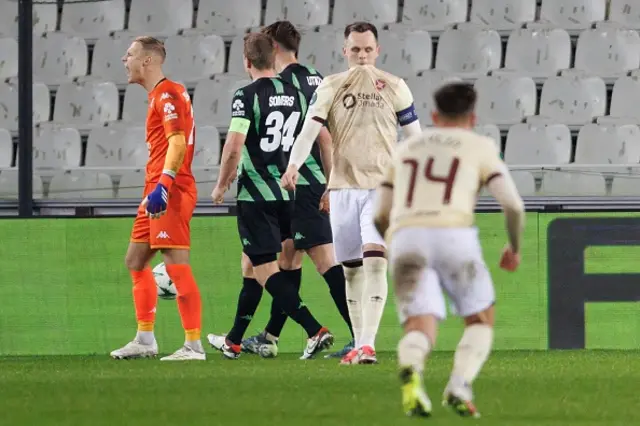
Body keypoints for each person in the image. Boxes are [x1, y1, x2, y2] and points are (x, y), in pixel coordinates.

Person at [373, 82, 525, 418]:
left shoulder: (406, 148)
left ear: (433, 115)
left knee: (419, 325)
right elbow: (513, 206)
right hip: (454, 234)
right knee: (480, 318)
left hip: (406, 237)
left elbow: (379, 213)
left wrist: (393, 243)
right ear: (472, 117)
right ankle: (459, 385)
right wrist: (513, 247)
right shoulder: (480, 146)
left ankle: (412, 369)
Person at [281, 22, 422, 364]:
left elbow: (416, 139)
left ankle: (369, 344)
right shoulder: (330, 86)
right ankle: (359, 344)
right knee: (351, 271)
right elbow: (309, 130)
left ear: (377, 50)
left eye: (367, 49)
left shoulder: (396, 86)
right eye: (355, 49)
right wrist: (294, 165)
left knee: (376, 261)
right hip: (343, 188)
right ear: (345, 51)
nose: (361, 55)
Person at [207, 32, 334, 360]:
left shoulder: (245, 95)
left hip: (256, 193)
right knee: (250, 264)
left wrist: (221, 184)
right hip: (288, 190)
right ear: (273, 58)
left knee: (265, 268)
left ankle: (314, 329)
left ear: (247, 62)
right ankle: (234, 341)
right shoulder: (295, 93)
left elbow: (234, 145)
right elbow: (316, 137)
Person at [238, 20, 354, 360]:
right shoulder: (316, 77)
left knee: (323, 259)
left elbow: (320, 136)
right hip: (314, 178)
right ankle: (270, 335)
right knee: (289, 256)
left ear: (272, 49)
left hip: (299, 179)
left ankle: (357, 335)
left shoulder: (282, 85)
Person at [110, 36, 205, 361]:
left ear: (147, 61)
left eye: (131, 54)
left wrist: (164, 184)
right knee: (135, 261)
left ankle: (193, 345)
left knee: (176, 266)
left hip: (170, 191)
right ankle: (145, 340)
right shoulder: (161, 95)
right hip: (155, 190)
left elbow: (177, 142)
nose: (125, 59)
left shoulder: (167, 93)